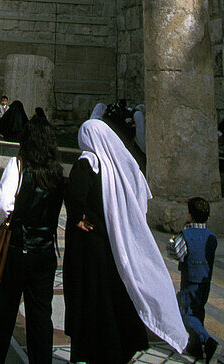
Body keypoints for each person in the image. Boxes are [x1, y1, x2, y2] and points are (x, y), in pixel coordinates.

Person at [63, 119, 188, 364]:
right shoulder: (119, 168)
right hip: (117, 244)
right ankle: (121, 347)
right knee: (117, 293)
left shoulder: (86, 164)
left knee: (93, 299)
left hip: (91, 248)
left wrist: (78, 217)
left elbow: (75, 196)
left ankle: (96, 350)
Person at [0, 116, 64, 364]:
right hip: (45, 253)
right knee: (40, 316)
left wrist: (0, 224)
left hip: (17, 250)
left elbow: (4, 205)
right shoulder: (57, 172)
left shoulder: (17, 165)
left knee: (5, 313)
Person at [167, 197, 218, 362]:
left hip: (190, 280)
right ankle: (196, 346)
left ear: (190, 215)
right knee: (199, 310)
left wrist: (171, 243)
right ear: (208, 217)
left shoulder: (185, 235)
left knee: (186, 312)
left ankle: (207, 340)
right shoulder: (211, 237)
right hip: (205, 280)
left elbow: (177, 253)